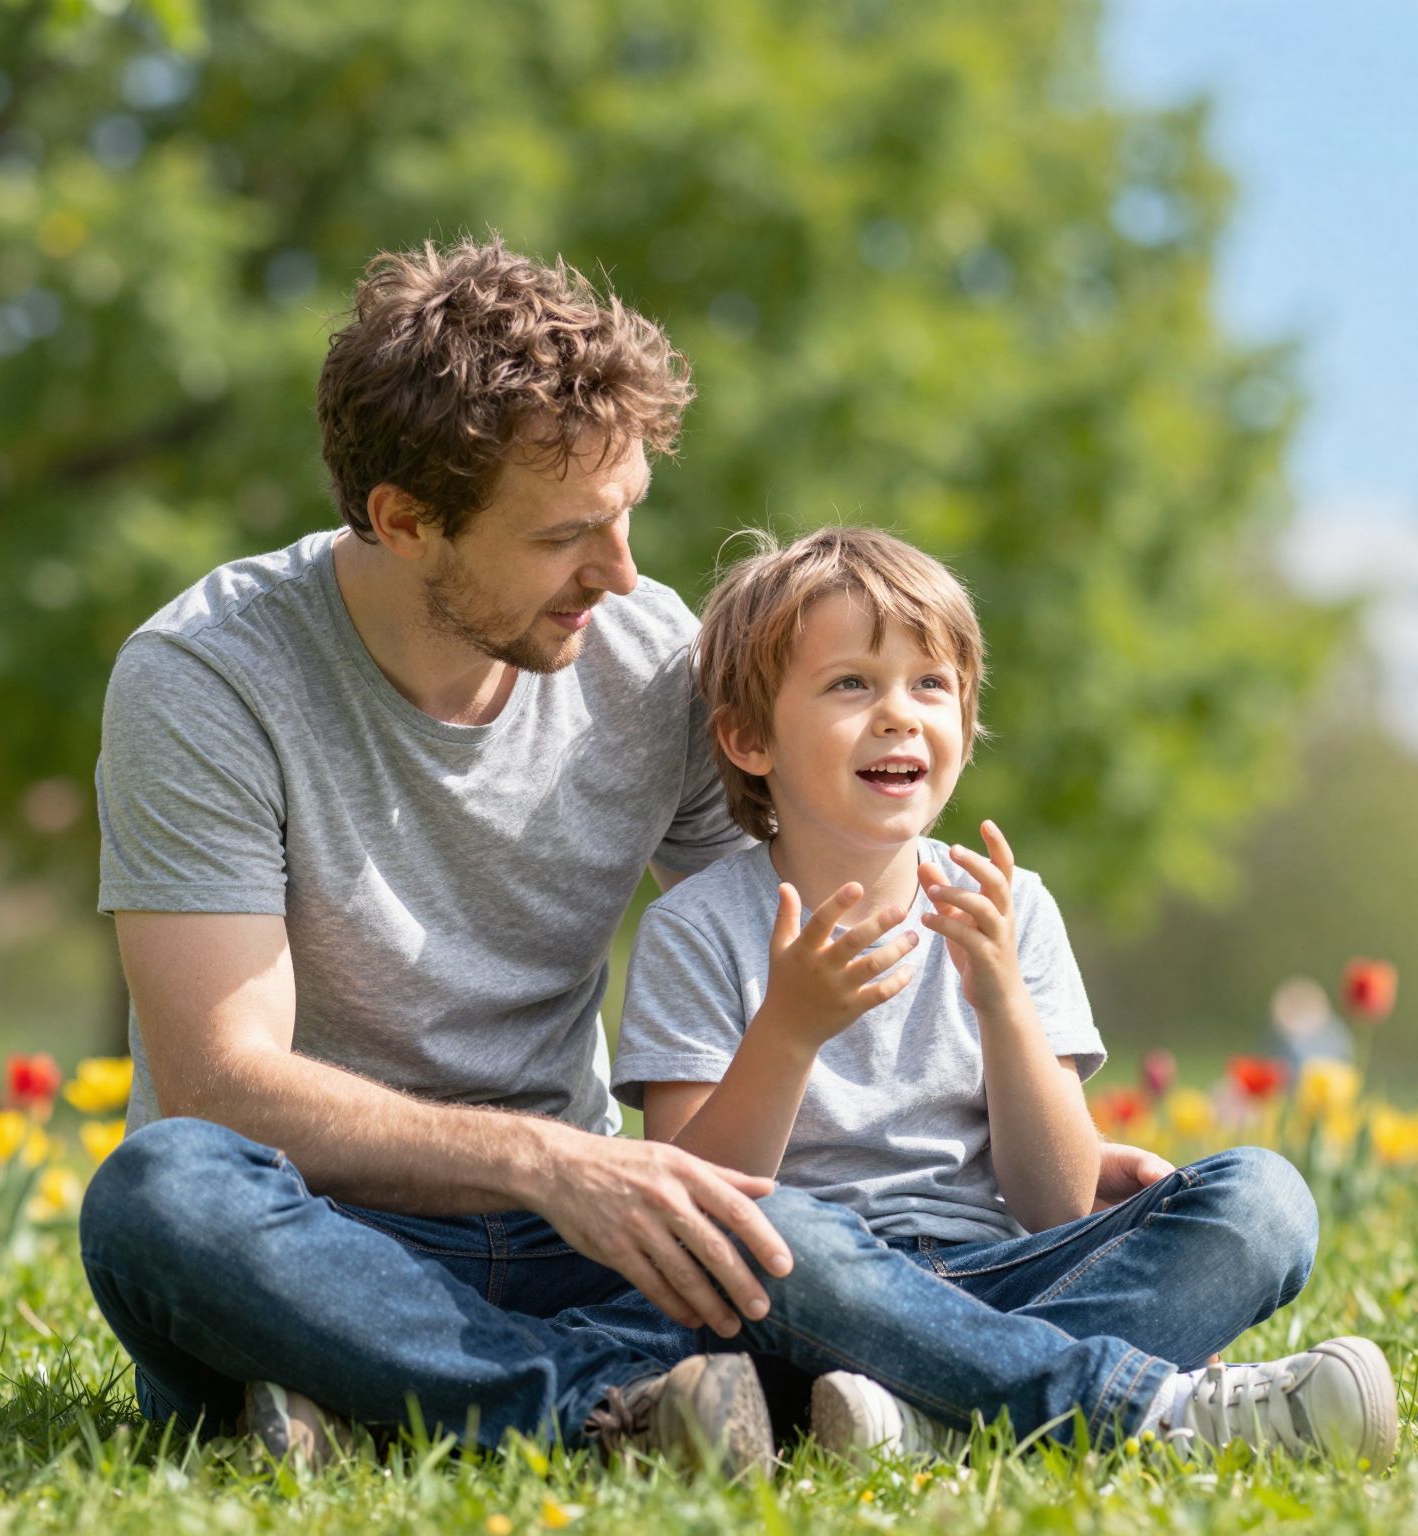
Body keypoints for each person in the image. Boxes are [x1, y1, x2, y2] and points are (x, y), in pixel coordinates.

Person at [77, 236, 1187, 1476]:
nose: (618, 574)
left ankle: (401, 1404)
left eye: (626, 518)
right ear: (403, 521)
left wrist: (1024, 1154)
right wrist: (547, 1159)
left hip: (597, 1245)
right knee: (162, 1191)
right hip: (324, 1237)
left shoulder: (643, 653)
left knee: (828, 1242)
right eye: (565, 538)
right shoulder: (209, 678)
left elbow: (799, 922)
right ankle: (614, 1406)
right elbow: (222, 1085)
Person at [613, 526, 1399, 1464]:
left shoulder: (1009, 908)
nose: (899, 715)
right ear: (747, 738)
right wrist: (787, 1030)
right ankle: (1128, 1408)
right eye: (851, 684)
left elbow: (1059, 1202)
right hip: (811, 1298)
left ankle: (922, 1415)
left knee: (1265, 1202)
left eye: (930, 685)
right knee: (767, 1234)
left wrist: (1003, 1002)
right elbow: (695, 1214)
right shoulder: (698, 928)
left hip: (1003, 1270)